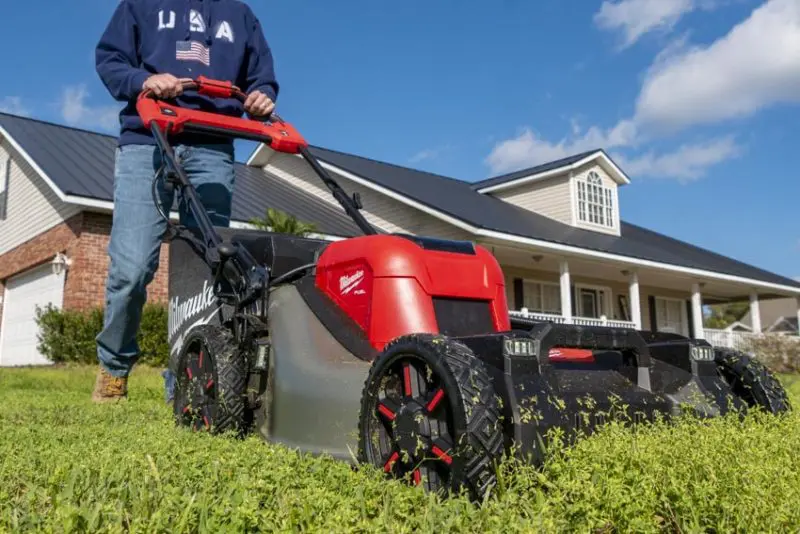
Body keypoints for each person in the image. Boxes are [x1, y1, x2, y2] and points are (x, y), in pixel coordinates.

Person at [91, 0, 279, 402]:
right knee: (132, 267)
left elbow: (261, 77)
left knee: (209, 269)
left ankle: (190, 378)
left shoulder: (240, 15)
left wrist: (262, 95)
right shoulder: (141, 5)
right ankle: (113, 369)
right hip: (148, 137)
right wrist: (144, 80)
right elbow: (110, 60)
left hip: (212, 144)